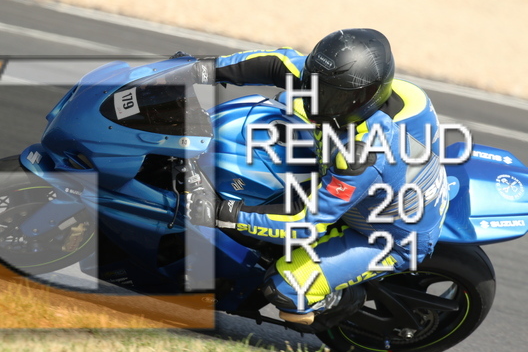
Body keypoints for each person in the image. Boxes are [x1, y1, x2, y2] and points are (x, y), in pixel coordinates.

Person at [185, 28, 449, 325]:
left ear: (367, 97)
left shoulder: (362, 156)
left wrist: (223, 213)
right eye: (315, 86)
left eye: (334, 97)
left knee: (285, 291)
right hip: (381, 182)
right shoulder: (335, 81)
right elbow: (275, 63)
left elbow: (304, 224)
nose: (317, 100)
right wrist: (200, 69)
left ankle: (338, 300)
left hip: (389, 236)